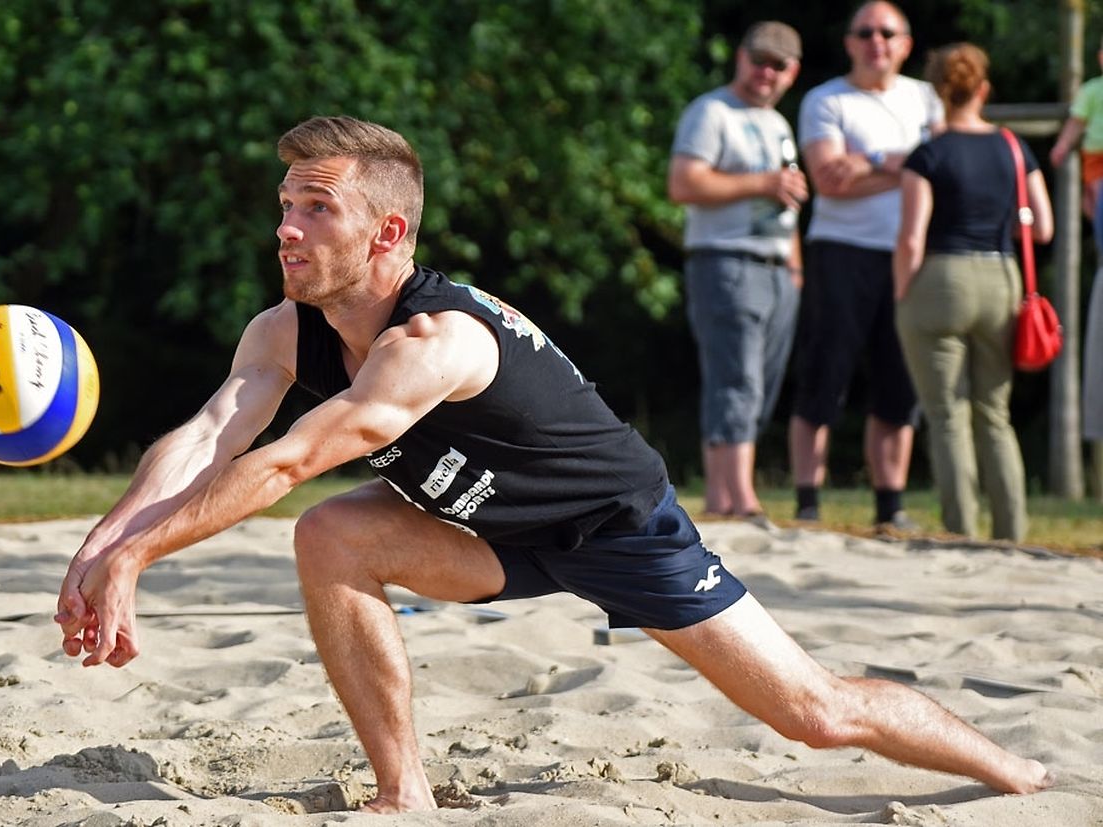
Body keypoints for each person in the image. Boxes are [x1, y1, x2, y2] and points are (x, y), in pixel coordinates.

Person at [55, 115, 1050, 813]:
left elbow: (287, 461)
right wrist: (103, 544)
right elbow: (210, 434)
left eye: (317, 208)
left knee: (814, 714)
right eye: (285, 204)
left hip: (618, 528)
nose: (286, 226)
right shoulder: (286, 328)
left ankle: (1015, 773)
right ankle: (405, 793)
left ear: (387, 232)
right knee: (333, 536)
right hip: (491, 531)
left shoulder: (433, 340)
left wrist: (138, 557)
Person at [792, 1, 943, 528]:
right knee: (824, 372)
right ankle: (807, 502)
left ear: (906, 43)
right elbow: (829, 181)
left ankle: (890, 506)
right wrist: (906, 165)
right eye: (865, 32)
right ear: (849, 42)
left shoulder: (926, 97)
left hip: (909, 252)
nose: (876, 41)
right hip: (841, 249)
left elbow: (944, 172)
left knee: (899, 378)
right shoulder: (825, 99)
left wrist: (867, 162)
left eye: (887, 32)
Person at [893, 43, 1054, 540]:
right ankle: (1012, 532)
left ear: (939, 92)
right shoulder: (1013, 147)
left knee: (947, 414)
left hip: (941, 279)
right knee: (994, 414)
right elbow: (1043, 226)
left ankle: (961, 531)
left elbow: (912, 237)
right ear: (983, 89)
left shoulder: (928, 154)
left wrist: (903, 294)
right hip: (1001, 278)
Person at [668, 21, 807, 521]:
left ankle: (724, 497)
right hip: (726, 259)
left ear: (793, 73)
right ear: (740, 57)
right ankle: (740, 498)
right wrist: (763, 183)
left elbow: (786, 200)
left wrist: (794, 265)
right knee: (737, 378)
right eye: (759, 60)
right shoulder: (711, 112)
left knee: (759, 383)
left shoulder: (778, 123)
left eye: (778, 65)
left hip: (776, 266)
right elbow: (684, 183)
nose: (766, 72)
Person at [1050, 38, 1103, 499]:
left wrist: (1062, 148)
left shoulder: (1090, 90)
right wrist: (1063, 147)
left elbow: (1074, 128)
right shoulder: (1091, 90)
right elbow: (1075, 126)